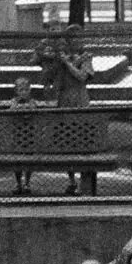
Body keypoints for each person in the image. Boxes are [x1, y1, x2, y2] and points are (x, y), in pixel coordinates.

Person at [53, 25, 93, 195]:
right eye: (73, 39)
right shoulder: (62, 56)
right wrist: (64, 62)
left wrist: (69, 64)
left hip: (80, 98)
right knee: (66, 140)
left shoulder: (86, 57)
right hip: (65, 99)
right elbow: (53, 75)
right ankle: (71, 180)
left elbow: (82, 76)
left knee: (83, 139)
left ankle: (85, 180)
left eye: (79, 38)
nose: (77, 41)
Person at [8, 77, 40, 194]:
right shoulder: (13, 101)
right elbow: (11, 110)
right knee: (17, 159)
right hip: (18, 135)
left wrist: (23, 108)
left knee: (28, 159)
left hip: (29, 135)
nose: (23, 92)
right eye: (21, 90)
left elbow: (33, 109)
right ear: (16, 91)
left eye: (26, 89)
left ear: (29, 90)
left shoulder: (32, 101)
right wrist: (20, 107)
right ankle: (18, 183)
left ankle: (27, 182)